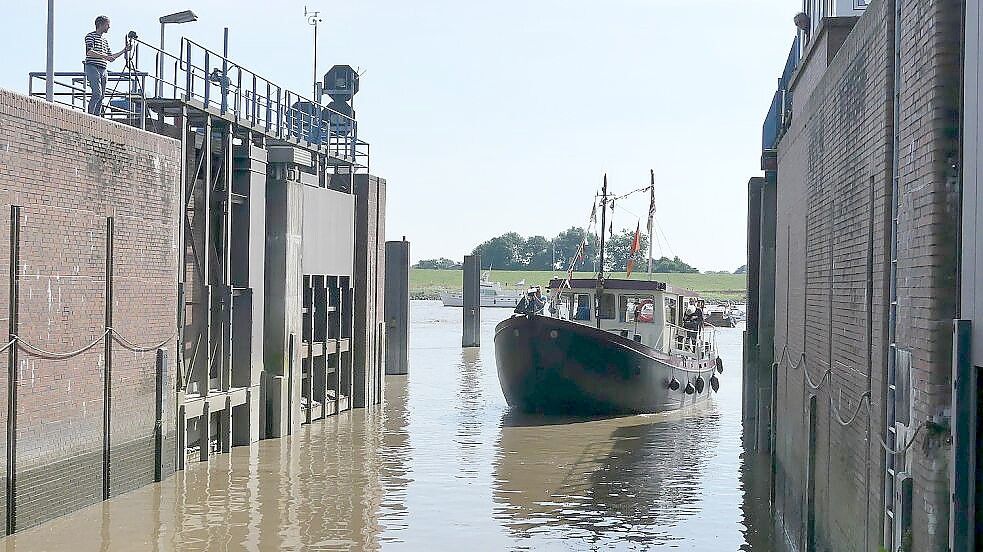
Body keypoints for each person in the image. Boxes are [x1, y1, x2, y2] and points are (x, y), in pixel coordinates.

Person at [84, 16, 130, 116]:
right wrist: (104, 56)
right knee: (97, 93)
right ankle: (90, 115)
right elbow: (89, 52)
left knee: (102, 96)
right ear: (100, 24)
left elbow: (111, 57)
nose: (109, 27)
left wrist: (124, 50)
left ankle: (97, 116)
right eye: (107, 24)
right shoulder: (90, 36)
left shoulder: (105, 41)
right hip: (92, 66)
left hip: (103, 69)